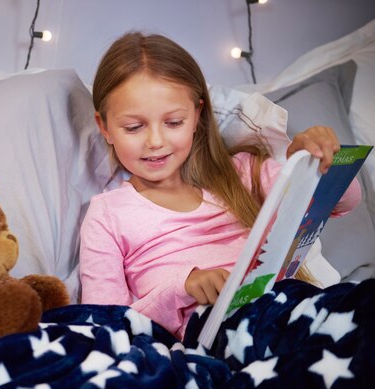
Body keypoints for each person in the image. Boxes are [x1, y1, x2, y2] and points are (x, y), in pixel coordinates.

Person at [79, 32, 361, 340]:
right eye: (134, 127)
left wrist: (317, 162)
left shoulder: (241, 173)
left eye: (173, 123)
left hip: (293, 310)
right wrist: (182, 289)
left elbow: (340, 202)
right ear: (104, 127)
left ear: (197, 115)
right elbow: (104, 326)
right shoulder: (107, 214)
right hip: (219, 338)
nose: (155, 142)